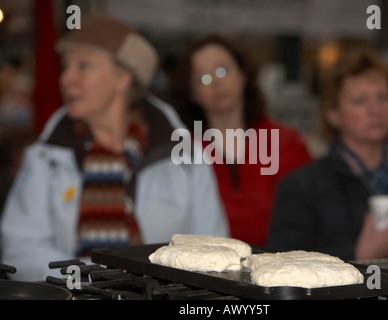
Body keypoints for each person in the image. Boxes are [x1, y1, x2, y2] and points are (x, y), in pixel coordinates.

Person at [0, 16, 229, 281]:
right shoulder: (46, 155)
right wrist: (92, 279)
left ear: (123, 77)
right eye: (65, 67)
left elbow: (213, 249)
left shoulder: (183, 155)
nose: (66, 79)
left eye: (83, 66)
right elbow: (21, 249)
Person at [267, 48, 388, 261]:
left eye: (383, 97)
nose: (376, 109)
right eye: (360, 101)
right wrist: (357, 255)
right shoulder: (301, 189)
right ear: (333, 114)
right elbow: (284, 268)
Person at [170, 34, 311, 246]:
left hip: (283, 268)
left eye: (222, 70)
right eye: (203, 78)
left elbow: (312, 216)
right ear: (192, 93)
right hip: (206, 270)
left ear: (243, 74)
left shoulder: (288, 142)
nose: (216, 82)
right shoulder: (183, 151)